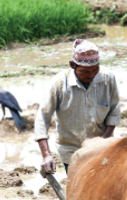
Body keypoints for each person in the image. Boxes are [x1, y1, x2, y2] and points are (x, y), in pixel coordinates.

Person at [34, 39, 120, 174]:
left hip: (102, 148)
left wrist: (102, 140)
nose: (91, 75)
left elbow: (114, 112)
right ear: (73, 65)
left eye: (95, 70)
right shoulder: (58, 84)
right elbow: (42, 119)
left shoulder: (107, 78)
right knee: (79, 189)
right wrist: (46, 155)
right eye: (85, 71)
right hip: (71, 150)